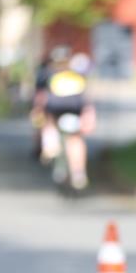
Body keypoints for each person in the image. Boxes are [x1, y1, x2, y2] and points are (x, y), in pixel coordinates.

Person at [32, 46, 96, 190]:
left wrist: (37, 111)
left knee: (49, 123)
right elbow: (86, 99)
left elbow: (41, 98)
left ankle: (49, 147)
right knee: (76, 139)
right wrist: (89, 115)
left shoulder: (47, 74)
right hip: (75, 110)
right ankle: (79, 173)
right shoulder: (78, 74)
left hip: (55, 111)